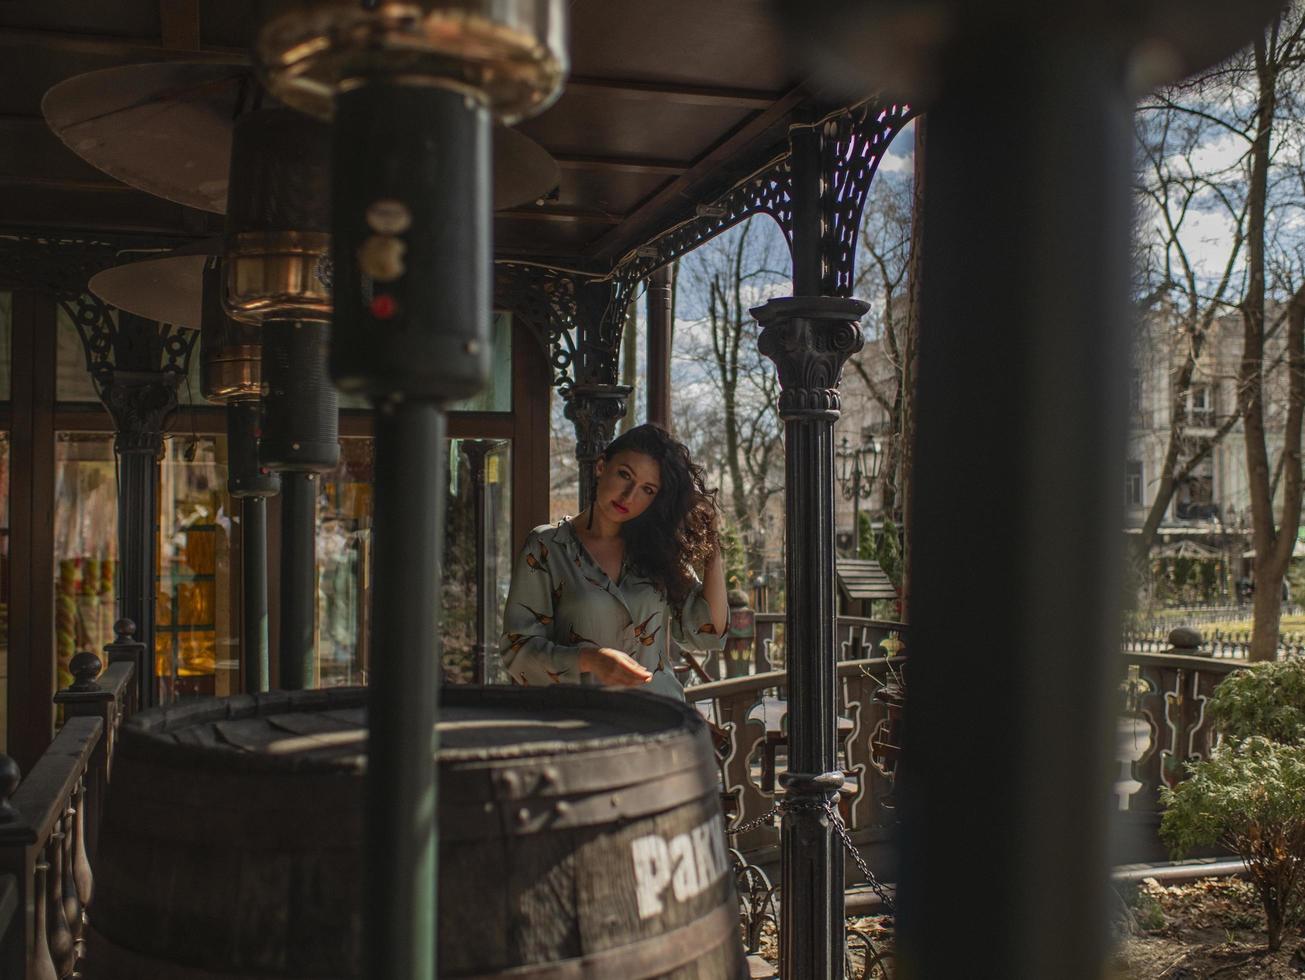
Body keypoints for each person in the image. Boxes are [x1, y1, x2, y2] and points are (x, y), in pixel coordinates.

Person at [499, 423, 727, 700]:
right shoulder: (548, 547)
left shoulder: (658, 551)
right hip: (583, 726)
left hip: (659, 720)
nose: (629, 496)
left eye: (648, 489)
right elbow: (518, 652)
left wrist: (711, 542)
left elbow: (709, 630)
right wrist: (591, 660)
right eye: (624, 475)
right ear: (601, 466)